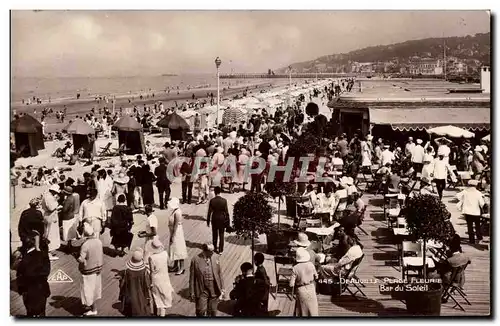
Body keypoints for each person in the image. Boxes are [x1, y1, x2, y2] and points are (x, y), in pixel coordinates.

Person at [16, 235, 51, 317]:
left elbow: (20, 276)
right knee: (42, 311)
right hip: (41, 290)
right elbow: (46, 271)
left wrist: (21, 289)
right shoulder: (43, 255)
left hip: (29, 291)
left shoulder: (24, 259)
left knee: (30, 312)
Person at [189, 243, 225, 317]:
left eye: (213, 251)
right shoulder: (195, 260)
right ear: (205, 251)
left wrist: (222, 287)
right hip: (202, 289)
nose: (213, 253)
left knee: (213, 311)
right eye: (211, 251)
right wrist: (192, 291)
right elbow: (192, 277)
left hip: (214, 288)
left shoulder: (216, 257)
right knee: (201, 310)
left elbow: (219, 273)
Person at [78, 223, 103, 316]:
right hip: (98, 269)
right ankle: (92, 306)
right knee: (95, 289)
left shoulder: (85, 245)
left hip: (88, 270)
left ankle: (93, 309)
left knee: (88, 290)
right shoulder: (99, 242)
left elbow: (81, 259)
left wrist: (78, 258)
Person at [119, 249, 151, 316]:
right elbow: (147, 282)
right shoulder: (144, 270)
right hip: (141, 288)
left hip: (131, 289)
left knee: (133, 299)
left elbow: (125, 282)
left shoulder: (128, 271)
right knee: (141, 300)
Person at [289, 248, 319, 316]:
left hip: (301, 290)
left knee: (302, 310)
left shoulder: (295, 268)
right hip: (311, 288)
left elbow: (291, 284)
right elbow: (316, 277)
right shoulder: (311, 264)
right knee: (313, 310)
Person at [148, 239, 174, 317]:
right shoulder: (165, 254)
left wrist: (151, 283)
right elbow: (170, 264)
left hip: (156, 279)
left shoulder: (151, 257)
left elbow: (152, 271)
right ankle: (162, 315)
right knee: (164, 297)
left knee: (156, 297)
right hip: (165, 278)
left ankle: (155, 314)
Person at [456, 180, 486, 244]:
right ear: (476, 186)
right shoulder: (478, 193)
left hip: (467, 212)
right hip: (476, 212)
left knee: (470, 226)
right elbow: (482, 203)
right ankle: (479, 238)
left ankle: (471, 240)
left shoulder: (465, 192)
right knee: (477, 226)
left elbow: (457, 196)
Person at [168, 197, 188, 275]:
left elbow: (176, 225)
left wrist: (173, 235)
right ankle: (175, 266)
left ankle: (182, 268)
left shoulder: (177, 212)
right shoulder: (175, 211)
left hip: (177, 233)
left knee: (179, 249)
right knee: (175, 249)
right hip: (174, 231)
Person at [207, 187, 230, 254]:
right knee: (221, 234)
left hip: (214, 218)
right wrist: (228, 222)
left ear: (215, 192)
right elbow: (227, 212)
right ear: (220, 192)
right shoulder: (224, 200)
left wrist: (208, 221)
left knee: (214, 234)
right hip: (222, 219)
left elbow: (209, 212)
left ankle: (214, 247)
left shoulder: (212, 201)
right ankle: (220, 250)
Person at [41, 184, 61, 261]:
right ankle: (48, 251)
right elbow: (51, 208)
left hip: (48, 215)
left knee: (48, 233)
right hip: (50, 216)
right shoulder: (49, 197)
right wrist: (57, 205)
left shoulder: (46, 195)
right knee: (51, 234)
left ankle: (48, 250)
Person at [59, 186, 80, 252]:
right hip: (71, 216)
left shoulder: (68, 199)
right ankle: (69, 245)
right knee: (70, 232)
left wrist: (61, 207)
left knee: (66, 232)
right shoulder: (72, 197)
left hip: (67, 217)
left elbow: (65, 209)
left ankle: (68, 247)